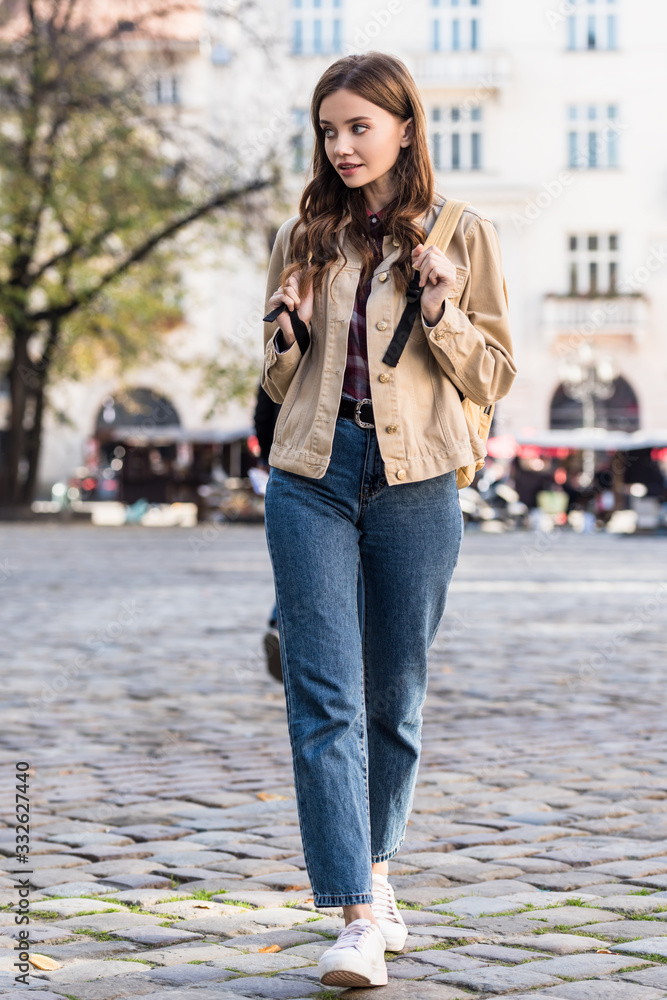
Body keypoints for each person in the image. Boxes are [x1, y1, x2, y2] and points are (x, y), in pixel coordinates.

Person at [261, 52, 516, 988]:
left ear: (405, 128)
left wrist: (443, 307)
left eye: (359, 127)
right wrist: (287, 330)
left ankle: (374, 868)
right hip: (311, 474)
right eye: (328, 130)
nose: (342, 146)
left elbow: (494, 376)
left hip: (416, 481)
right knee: (324, 696)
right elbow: (276, 383)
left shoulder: (465, 233)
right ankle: (356, 916)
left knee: (392, 701)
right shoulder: (302, 237)